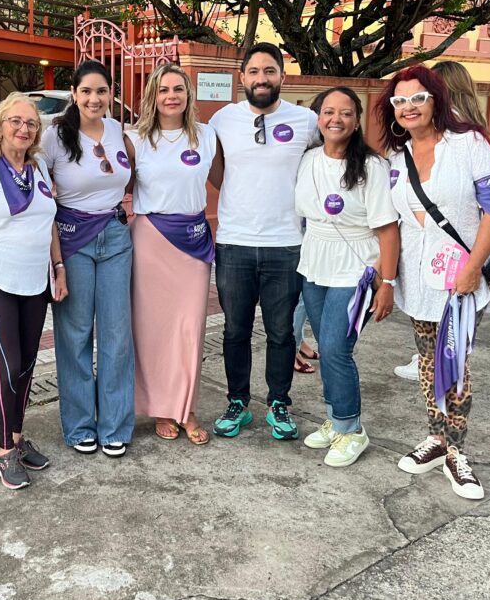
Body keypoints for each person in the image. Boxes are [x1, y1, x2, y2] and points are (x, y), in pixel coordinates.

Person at [377, 64, 490, 501]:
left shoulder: (470, 144)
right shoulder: (396, 160)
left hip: (460, 281)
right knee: (426, 363)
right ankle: (436, 438)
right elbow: (395, 223)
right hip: (418, 279)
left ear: (436, 99)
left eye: (417, 97)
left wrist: (473, 268)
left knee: (453, 366)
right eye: (399, 101)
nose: (408, 107)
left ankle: (457, 453)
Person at [207, 42, 320, 440]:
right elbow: (217, 171)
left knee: (281, 332)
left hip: (286, 244)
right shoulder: (223, 119)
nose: (261, 78)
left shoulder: (306, 120)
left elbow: (323, 165)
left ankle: (278, 403)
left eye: (269, 71)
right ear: (242, 77)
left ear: (282, 76)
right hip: (234, 242)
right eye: (254, 71)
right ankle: (237, 401)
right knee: (235, 330)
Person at [0, 94, 67, 490]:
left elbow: (49, 222)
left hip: (35, 282)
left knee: (26, 365)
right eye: (16, 121)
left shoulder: (38, 168)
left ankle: (18, 439)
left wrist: (58, 268)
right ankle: (5, 451)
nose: (24, 129)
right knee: (7, 368)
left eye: (31, 123)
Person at [295, 87, 400, 467]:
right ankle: (335, 418)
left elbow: (388, 230)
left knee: (337, 348)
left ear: (356, 121)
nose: (335, 119)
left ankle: (352, 429)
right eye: (328, 112)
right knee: (327, 347)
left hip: (356, 269)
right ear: (318, 118)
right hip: (314, 265)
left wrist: (387, 283)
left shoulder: (372, 167)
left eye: (345, 113)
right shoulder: (307, 159)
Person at [41, 60, 136, 457]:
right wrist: (55, 261)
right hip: (72, 239)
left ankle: (114, 425)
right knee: (75, 334)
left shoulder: (118, 131)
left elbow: (133, 177)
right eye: (86, 91)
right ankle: (80, 425)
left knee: (117, 334)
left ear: (111, 93)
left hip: (115, 236)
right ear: (74, 94)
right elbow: (38, 193)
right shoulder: (54, 137)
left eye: (101, 91)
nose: (94, 99)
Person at [127, 64, 217, 446]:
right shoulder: (135, 140)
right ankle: (162, 407)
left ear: (188, 94)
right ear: (153, 95)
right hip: (151, 241)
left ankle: (187, 407)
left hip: (193, 243)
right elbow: (118, 185)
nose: (171, 96)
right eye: (163, 89)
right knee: (152, 331)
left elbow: (226, 181)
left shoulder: (207, 136)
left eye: (178, 89)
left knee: (190, 329)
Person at [393, 60, 488, 382]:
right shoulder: (469, 130)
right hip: (439, 257)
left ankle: (435, 369)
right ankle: (432, 364)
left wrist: (473, 267)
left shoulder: (463, 140)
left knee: (447, 356)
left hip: (453, 256)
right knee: (445, 348)